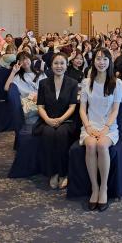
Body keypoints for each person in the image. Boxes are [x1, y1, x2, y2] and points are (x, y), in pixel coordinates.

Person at [79, 48, 122, 211]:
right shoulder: (86, 82)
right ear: (93, 61)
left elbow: (115, 110)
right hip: (90, 125)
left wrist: (106, 128)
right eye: (98, 59)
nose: (101, 62)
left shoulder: (117, 83)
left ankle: (104, 187)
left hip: (108, 126)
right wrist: (88, 127)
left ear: (109, 62)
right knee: (91, 145)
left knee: (102, 145)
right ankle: (94, 188)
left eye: (105, 59)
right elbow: (82, 109)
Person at [35, 53, 78, 189]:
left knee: (61, 134)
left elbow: (72, 106)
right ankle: (53, 172)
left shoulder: (73, 83)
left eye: (62, 63)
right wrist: (47, 119)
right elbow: (40, 106)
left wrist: (60, 119)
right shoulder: (43, 83)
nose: (59, 66)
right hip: (47, 119)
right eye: (56, 63)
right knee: (48, 134)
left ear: (67, 65)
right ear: (51, 65)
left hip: (66, 120)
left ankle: (63, 173)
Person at [4, 52, 44, 124]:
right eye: (22, 60)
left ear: (31, 59)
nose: (25, 61)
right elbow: (6, 88)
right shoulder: (18, 77)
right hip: (29, 106)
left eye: (26, 58)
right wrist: (13, 72)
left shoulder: (40, 74)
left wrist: (39, 97)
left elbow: (47, 89)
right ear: (19, 62)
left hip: (41, 102)